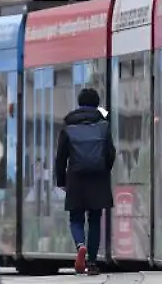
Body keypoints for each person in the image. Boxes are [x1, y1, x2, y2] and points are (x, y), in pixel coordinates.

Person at [54, 88, 116, 275]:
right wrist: (104, 170)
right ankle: (93, 262)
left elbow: (60, 157)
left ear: (79, 103)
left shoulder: (68, 126)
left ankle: (80, 245)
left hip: (76, 178)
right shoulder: (103, 125)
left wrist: (61, 180)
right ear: (97, 104)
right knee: (95, 219)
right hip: (98, 178)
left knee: (76, 218)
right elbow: (110, 153)